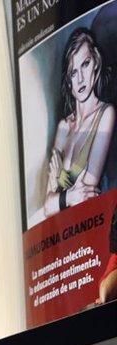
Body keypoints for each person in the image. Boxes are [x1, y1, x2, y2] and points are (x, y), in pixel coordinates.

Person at [42, 27, 115, 221]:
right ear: (68, 80)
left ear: (96, 63)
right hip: (61, 233)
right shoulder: (63, 127)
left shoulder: (105, 114)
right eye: (73, 72)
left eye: (85, 64)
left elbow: (87, 197)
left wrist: (59, 195)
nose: (80, 79)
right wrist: (71, 196)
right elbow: (47, 205)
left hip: (86, 226)